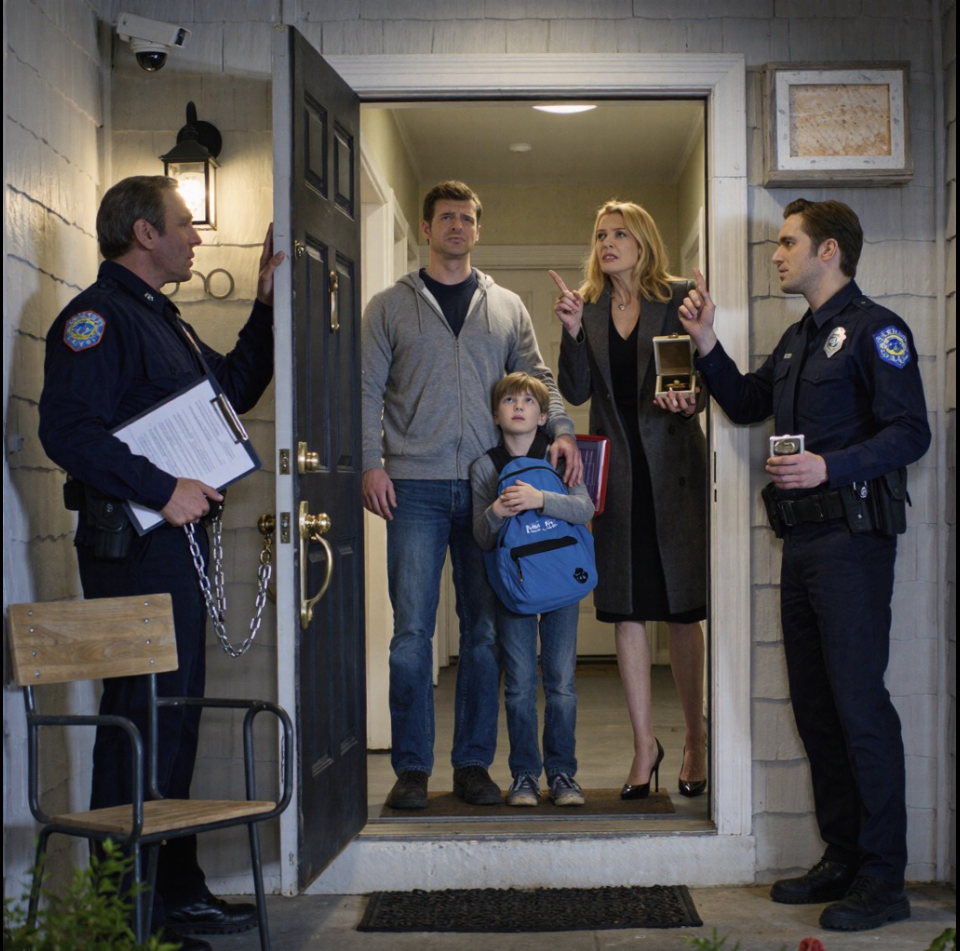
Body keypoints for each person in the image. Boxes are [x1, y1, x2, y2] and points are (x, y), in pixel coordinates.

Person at [38, 175, 285, 951]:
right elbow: (67, 430)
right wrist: (162, 487)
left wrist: (266, 304)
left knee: (172, 721)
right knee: (140, 723)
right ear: (144, 233)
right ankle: (127, 919)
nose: (196, 236)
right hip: (133, 547)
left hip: (172, 546)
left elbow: (234, 388)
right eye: (185, 223)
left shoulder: (161, 318)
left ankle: (176, 894)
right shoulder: (95, 319)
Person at [675, 199, 930, 932]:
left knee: (859, 706)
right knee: (817, 709)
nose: (777, 254)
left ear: (829, 251)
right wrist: (705, 341)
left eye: (788, 243)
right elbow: (745, 401)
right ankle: (843, 856)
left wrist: (829, 466)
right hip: (803, 546)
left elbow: (911, 432)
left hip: (853, 544)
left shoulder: (878, 330)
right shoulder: (797, 339)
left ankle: (883, 878)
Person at [362, 180, 581, 810]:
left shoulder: (506, 306)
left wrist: (563, 429)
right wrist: (371, 464)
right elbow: (365, 390)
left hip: (492, 485)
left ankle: (472, 765)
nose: (456, 225)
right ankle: (411, 770)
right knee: (411, 634)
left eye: (466, 217)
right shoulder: (388, 307)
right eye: (445, 217)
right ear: (426, 229)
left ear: (477, 229)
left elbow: (537, 379)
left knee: (482, 632)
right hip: (414, 487)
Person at [554, 200, 709, 802]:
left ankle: (694, 739)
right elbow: (574, 391)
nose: (607, 243)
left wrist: (691, 401)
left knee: (683, 610)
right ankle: (645, 747)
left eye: (619, 233)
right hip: (617, 482)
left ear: (643, 241)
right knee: (625, 611)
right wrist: (571, 332)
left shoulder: (679, 296)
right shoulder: (588, 306)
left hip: (675, 475)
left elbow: (698, 380)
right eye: (600, 234)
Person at [470, 372, 595, 808]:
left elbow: (584, 508)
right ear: (495, 414)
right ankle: (524, 774)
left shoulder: (560, 456)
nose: (519, 406)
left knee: (561, 684)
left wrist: (540, 499)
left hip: (561, 584)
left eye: (528, 401)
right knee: (520, 685)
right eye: (509, 400)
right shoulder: (485, 466)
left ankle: (562, 773)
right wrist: (497, 510)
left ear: (544, 416)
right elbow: (482, 536)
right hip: (515, 589)